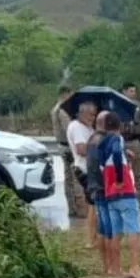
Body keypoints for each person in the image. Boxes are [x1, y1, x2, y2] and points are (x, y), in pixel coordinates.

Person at [98, 111, 140, 278]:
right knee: (133, 229)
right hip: (124, 191)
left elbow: (106, 162)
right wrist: (119, 177)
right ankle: (134, 267)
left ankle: (116, 270)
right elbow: (116, 152)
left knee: (116, 232)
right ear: (120, 126)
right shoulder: (117, 140)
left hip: (110, 194)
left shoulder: (101, 144)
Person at [67, 101, 98, 247]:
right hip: (84, 169)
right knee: (93, 204)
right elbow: (81, 149)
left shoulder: (88, 127)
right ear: (81, 112)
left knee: (93, 203)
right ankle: (90, 239)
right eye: (90, 114)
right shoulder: (77, 127)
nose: (92, 118)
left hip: (91, 168)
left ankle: (94, 236)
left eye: (94, 115)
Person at [85, 111, 113, 273]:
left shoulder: (91, 139)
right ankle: (110, 267)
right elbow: (107, 168)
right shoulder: (104, 141)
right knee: (109, 230)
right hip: (106, 189)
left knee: (102, 229)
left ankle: (106, 266)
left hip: (95, 188)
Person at [50, 85, 80, 217]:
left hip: (62, 145)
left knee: (69, 178)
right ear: (64, 94)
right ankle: (76, 207)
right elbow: (70, 129)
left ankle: (72, 207)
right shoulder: (62, 110)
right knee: (74, 178)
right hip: (67, 146)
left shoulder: (55, 108)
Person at [121, 82, 140, 203]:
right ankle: (124, 195)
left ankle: (139, 198)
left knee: (137, 171)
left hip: (134, 141)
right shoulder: (118, 105)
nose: (133, 93)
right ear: (124, 91)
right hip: (121, 141)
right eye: (131, 91)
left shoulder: (139, 107)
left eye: (134, 91)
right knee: (122, 170)